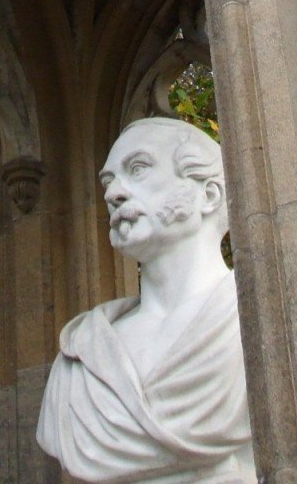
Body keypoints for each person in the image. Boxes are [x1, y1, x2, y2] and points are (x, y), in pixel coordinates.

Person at [36, 117, 257, 483]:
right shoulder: (79, 360)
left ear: (208, 195)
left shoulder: (261, 322)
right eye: (108, 182)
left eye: (138, 168)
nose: (113, 194)